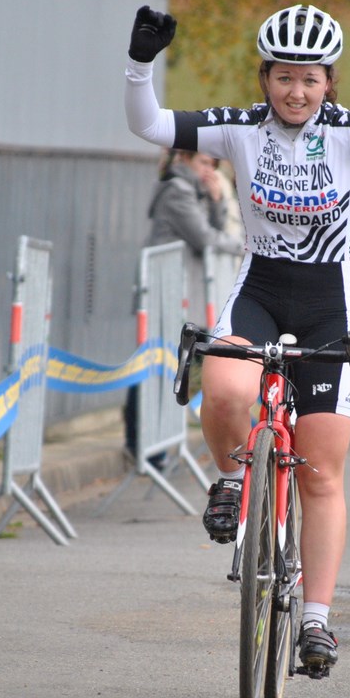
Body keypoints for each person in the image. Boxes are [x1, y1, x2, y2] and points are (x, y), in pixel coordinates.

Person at [125, 3, 350, 673]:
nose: (296, 90)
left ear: (329, 82)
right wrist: (141, 60)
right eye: (284, 76)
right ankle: (231, 480)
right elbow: (147, 123)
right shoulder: (238, 131)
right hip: (259, 288)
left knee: (321, 469)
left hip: (328, 301)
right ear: (264, 78)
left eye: (310, 78)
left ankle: (316, 618)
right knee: (226, 380)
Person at [122, 148, 244, 464]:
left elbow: (213, 230)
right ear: (185, 159)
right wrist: (246, 247)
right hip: (165, 294)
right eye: (204, 162)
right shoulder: (177, 190)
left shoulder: (196, 189)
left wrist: (217, 200)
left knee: (175, 367)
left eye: (214, 165)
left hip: (182, 297)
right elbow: (204, 238)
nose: (210, 171)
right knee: (155, 366)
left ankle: (155, 445)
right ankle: (142, 445)